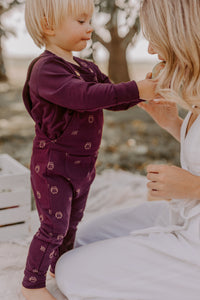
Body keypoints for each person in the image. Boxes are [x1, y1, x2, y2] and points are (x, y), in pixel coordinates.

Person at [55, 1, 200, 299]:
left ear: (181, 35)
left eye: (155, 36)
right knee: (81, 241)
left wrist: (195, 187)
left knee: (70, 269)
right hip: (186, 216)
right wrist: (173, 124)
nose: (149, 49)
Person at [21, 0, 157, 299]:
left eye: (89, 20)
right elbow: (83, 96)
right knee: (53, 226)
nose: (90, 27)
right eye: (81, 21)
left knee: (71, 224)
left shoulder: (86, 67)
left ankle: (62, 264)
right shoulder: (46, 70)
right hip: (53, 167)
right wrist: (134, 88)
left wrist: (142, 92)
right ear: (49, 26)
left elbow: (110, 98)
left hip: (83, 165)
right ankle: (32, 284)